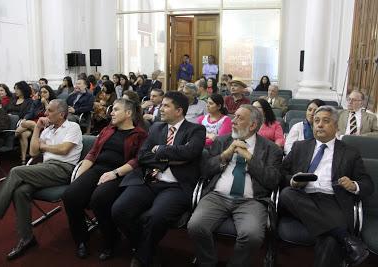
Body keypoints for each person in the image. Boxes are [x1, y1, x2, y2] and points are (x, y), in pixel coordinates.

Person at [0, 99, 83, 260]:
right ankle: (27, 238)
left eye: (49, 111)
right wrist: (37, 129)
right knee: (20, 191)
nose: (45, 114)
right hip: (45, 168)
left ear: (61, 114)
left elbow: (64, 149)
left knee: (16, 171)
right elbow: (33, 152)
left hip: (63, 169)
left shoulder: (73, 127)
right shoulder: (47, 130)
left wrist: (44, 146)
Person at [112, 91, 206, 267]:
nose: (160, 109)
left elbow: (190, 152)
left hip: (176, 186)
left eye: (165, 105)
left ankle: (142, 258)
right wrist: (174, 156)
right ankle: (145, 248)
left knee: (155, 217)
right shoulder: (156, 128)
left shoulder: (196, 130)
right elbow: (142, 156)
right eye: (161, 105)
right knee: (119, 210)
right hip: (149, 180)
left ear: (179, 111)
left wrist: (160, 149)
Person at [188, 104, 283, 267]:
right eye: (234, 116)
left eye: (239, 118)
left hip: (252, 201)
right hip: (217, 196)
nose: (233, 121)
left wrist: (249, 158)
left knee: (252, 235)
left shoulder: (271, 149)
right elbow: (205, 171)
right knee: (196, 226)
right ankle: (207, 262)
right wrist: (225, 155)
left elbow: (272, 180)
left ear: (253, 125)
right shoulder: (222, 141)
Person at [279, 105, 373, 267]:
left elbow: (367, 184)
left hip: (333, 201)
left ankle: (337, 235)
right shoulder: (300, 146)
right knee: (287, 193)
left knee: (329, 240)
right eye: (316, 121)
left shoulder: (350, 152)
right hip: (302, 198)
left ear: (336, 126)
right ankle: (345, 237)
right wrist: (293, 181)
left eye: (325, 121)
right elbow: (280, 174)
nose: (319, 125)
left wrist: (353, 185)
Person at [62, 98, 147, 260]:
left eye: (116, 110)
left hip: (120, 173)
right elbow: (92, 154)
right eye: (112, 109)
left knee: (99, 199)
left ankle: (111, 240)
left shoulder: (140, 134)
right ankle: (81, 239)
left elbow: (137, 160)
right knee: (70, 195)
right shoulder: (107, 129)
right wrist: (79, 176)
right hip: (97, 169)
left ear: (128, 113)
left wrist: (114, 173)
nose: (111, 113)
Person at [15, 85, 57, 165]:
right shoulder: (36, 102)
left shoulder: (54, 102)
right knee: (24, 134)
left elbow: (49, 114)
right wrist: (25, 118)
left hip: (46, 123)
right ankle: (23, 160)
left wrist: (45, 103)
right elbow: (30, 113)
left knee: (28, 123)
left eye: (45, 92)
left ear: (50, 93)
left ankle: (15, 133)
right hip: (35, 121)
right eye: (41, 92)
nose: (43, 94)